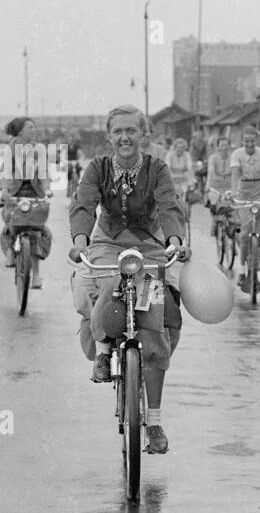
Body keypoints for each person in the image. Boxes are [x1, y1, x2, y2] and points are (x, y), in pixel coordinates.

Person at [68, 104, 191, 455]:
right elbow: (83, 205)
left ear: (143, 135)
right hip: (107, 241)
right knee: (107, 284)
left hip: (150, 245)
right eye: (118, 131)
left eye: (131, 131)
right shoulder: (97, 168)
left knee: (156, 329)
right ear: (109, 136)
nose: (125, 137)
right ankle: (104, 351)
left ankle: (153, 422)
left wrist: (175, 242)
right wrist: (80, 243)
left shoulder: (158, 169)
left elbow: (170, 207)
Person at [0, 117, 54, 272]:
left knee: (39, 229)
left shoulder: (39, 148)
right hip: (14, 191)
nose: (34, 130)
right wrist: (5, 191)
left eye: (34, 127)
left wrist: (47, 189)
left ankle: (36, 275)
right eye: (30, 127)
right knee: (10, 224)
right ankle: (9, 251)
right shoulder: (10, 149)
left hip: (35, 191)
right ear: (21, 131)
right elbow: (6, 172)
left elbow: (43, 172)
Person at [229, 125, 260, 287]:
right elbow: (235, 175)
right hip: (244, 192)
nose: (249, 144)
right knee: (244, 233)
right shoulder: (237, 154)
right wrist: (234, 193)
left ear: (256, 140)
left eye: (252, 141)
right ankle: (242, 270)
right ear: (242, 141)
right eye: (246, 141)